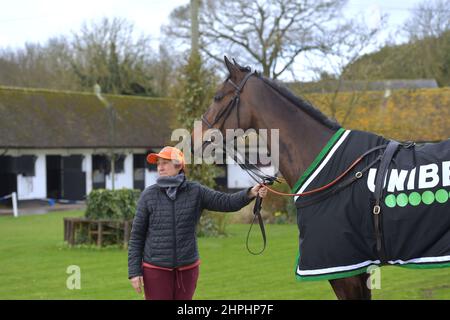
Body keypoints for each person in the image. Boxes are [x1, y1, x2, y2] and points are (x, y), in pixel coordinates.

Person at [128, 146, 267, 300]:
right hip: (155, 270)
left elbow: (226, 202)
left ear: (179, 165)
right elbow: (137, 236)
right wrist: (134, 272)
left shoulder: (196, 191)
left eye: (165, 163)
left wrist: (250, 193)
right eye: (158, 163)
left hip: (187, 270)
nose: (160, 167)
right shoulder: (148, 195)